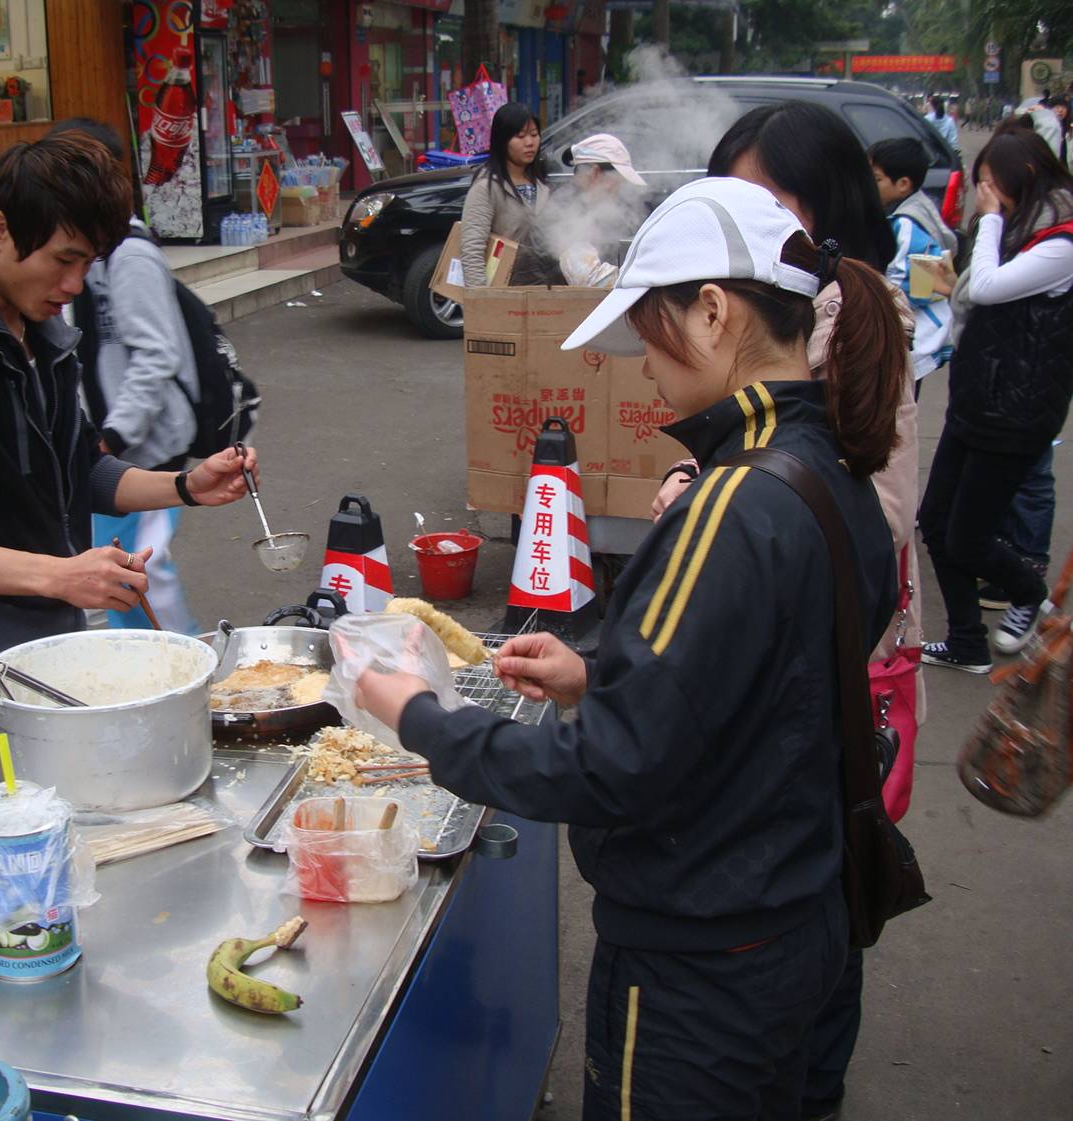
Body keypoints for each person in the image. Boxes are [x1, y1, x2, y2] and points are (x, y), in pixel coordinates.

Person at [355, 176, 902, 1121]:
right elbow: (765, 683)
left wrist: (420, 715)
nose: (644, 370)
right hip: (798, 924)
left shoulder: (730, 504)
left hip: (702, 966)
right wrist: (599, 675)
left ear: (714, 311)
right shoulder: (833, 474)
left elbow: (609, 771)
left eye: (648, 337)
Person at [0, 132, 258, 839]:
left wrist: (188, 485)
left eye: (87, 265)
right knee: (0, 891)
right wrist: (58, 575)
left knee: (75, 865)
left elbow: (78, 472)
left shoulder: (39, 334)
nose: (74, 285)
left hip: (60, 656)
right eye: (63, 261)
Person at [657, 102, 921, 1121]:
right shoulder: (780, 309)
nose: (742, 214)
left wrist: (729, 500)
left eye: (765, 196)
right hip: (786, 642)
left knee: (812, 875)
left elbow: (881, 508)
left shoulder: (853, 317)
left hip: (836, 657)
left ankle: (804, 1082)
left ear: (825, 206)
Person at [918, 127, 1073, 669]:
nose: (983, 193)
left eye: (989, 183)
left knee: (968, 537)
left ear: (1023, 178)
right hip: (977, 400)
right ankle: (966, 642)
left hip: (1016, 413)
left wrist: (989, 220)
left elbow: (986, 288)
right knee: (936, 523)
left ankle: (1031, 593)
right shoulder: (1026, 223)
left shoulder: (1060, 241)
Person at [57, 117, 201, 634]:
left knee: (140, 576)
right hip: (115, 443)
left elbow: (156, 355)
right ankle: (158, 673)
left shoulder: (129, 253)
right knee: (128, 575)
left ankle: (179, 678)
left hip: (142, 447)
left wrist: (112, 438)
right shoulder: (92, 253)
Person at [869, 137, 957, 392]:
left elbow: (903, 288)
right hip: (916, 335)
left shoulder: (907, 226)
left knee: (899, 405)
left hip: (916, 338)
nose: (869, 185)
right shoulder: (921, 210)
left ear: (903, 184)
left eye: (876, 179)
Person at [458, 102, 548, 287]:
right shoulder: (487, 188)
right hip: (504, 294)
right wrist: (483, 300)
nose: (530, 142)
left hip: (541, 292)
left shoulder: (541, 186)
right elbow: (472, 249)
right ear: (502, 140)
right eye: (520, 136)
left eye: (534, 134)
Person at [555, 132, 647, 287]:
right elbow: (591, 280)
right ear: (596, 173)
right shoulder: (564, 209)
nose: (618, 190)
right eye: (616, 182)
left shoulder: (592, 206)